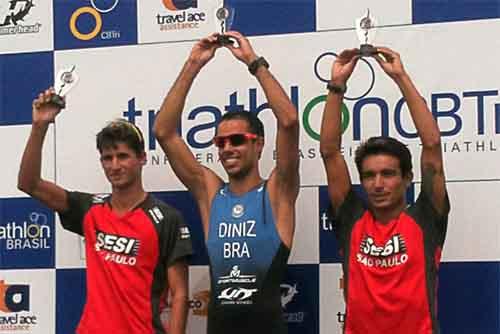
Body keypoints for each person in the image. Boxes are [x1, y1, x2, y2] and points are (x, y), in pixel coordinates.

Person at [153, 31, 299, 334]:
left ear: (258, 144)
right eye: (220, 142)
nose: (227, 148)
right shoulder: (211, 194)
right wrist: (193, 64)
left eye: (237, 140)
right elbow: (164, 132)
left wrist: (253, 62)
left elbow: (289, 121)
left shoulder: (277, 190)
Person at [17, 88, 192, 334]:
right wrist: (39, 127)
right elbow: (29, 183)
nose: (115, 165)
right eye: (107, 158)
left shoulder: (166, 218)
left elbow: (180, 294)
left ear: (142, 158)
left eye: (123, 156)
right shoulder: (90, 209)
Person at [320, 47, 449, 334]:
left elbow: (432, 146)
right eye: (369, 176)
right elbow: (330, 152)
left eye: (388, 174)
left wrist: (400, 77)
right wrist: (336, 85)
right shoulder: (351, 219)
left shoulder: (426, 218)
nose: (378, 184)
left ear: (407, 178)